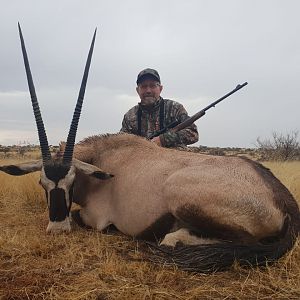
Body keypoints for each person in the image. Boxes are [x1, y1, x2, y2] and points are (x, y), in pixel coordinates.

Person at [120, 68, 198, 148]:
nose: (148, 90)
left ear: (160, 89)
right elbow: (121, 143)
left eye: (152, 85)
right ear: (137, 90)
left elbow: (193, 133)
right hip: (141, 158)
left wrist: (164, 139)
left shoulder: (175, 108)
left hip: (172, 159)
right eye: (143, 86)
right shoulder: (129, 116)